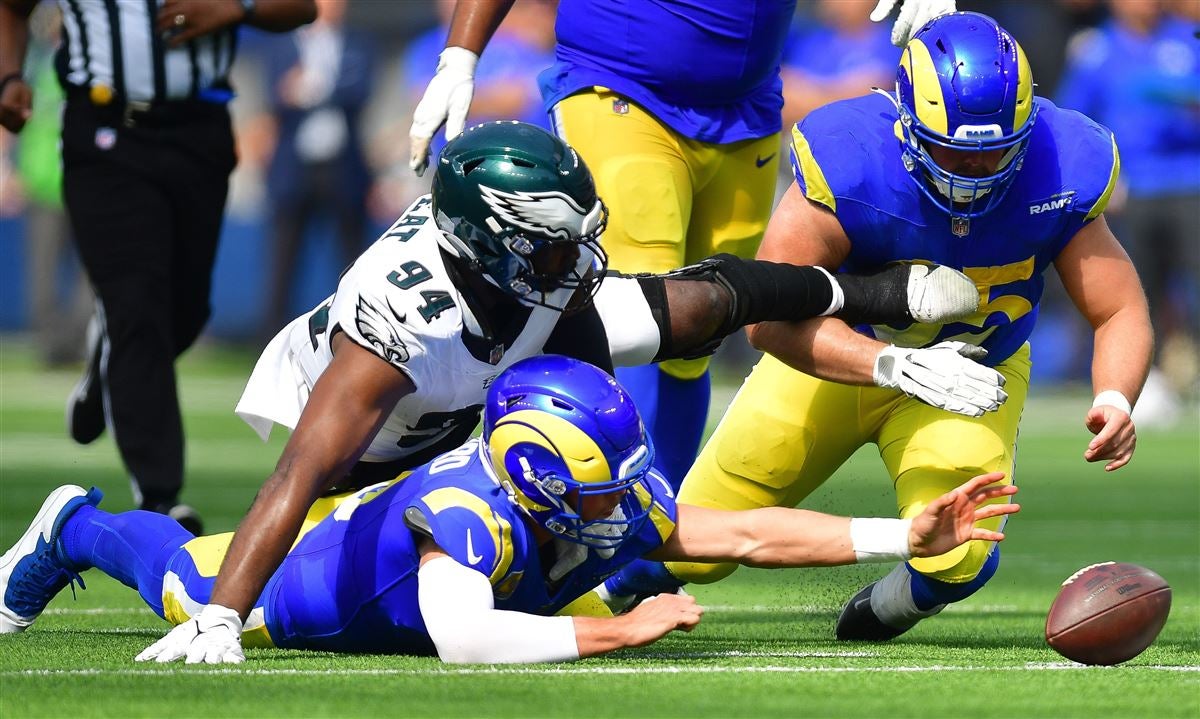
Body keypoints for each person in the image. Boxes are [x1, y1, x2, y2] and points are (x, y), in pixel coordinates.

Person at [133, 119, 998, 664]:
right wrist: (220, 618)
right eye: (556, 248)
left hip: (493, 359)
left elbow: (724, 510)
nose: (579, 264)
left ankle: (870, 294)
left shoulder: (530, 276)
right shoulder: (395, 330)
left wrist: (875, 306)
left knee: (696, 304)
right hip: (380, 444)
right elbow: (295, 472)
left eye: (581, 239)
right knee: (216, 582)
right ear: (487, 243)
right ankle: (80, 531)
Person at [599, 12, 1153, 642]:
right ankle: (615, 587)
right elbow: (766, 320)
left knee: (961, 551)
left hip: (972, 379)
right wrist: (892, 364)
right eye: (952, 150)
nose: (971, 174)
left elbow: (1118, 309)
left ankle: (891, 605)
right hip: (831, 365)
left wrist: (1113, 396)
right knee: (693, 545)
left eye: (992, 152)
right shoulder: (851, 154)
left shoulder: (1063, 162)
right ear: (905, 120)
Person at [0, 355, 1021, 664]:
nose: (621, 496)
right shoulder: (469, 504)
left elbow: (734, 529)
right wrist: (620, 624)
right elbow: (464, 634)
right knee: (182, 578)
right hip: (308, 588)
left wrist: (904, 534)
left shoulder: (590, 477)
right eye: (597, 479)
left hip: (379, 548)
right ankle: (69, 525)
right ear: (535, 468)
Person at [407, 0, 958, 488]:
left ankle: (653, 536)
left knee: (705, 327)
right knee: (645, 301)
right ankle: (607, 519)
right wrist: (460, 55)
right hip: (619, 85)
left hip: (747, 106)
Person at [0, 0, 318, 531]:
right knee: (137, 307)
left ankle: (110, 354)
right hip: (104, 131)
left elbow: (301, 7)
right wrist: (10, 74)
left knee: (185, 312)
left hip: (200, 129)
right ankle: (159, 495)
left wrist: (236, 9)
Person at [1056, 0, 1200, 424]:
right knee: (1140, 284)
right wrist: (1098, 178)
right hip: (1130, 188)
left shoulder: (1187, 38)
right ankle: (1150, 380)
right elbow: (1073, 119)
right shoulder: (1095, 49)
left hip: (1189, 181)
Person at [259, 0, 377, 342]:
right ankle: (271, 340)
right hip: (294, 168)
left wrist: (310, 88)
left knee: (353, 261)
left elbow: (360, 91)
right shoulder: (281, 43)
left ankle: (359, 335)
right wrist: (300, 91)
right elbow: (275, 95)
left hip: (343, 167)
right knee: (283, 261)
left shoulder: (358, 42)